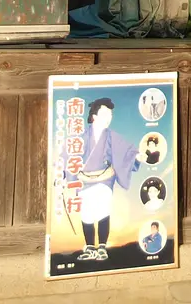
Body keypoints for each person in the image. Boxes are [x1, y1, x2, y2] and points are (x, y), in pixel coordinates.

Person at [60, 97, 139, 263]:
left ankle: (102, 247)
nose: (108, 118)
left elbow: (127, 151)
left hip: (104, 179)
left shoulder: (112, 136)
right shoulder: (81, 137)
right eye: (104, 114)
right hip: (84, 180)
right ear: (94, 116)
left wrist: (138, 156)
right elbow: (67, 156)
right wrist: (62, 175)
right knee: (87, 214)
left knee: (103, 209)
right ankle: (90, 248)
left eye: (110, 115)